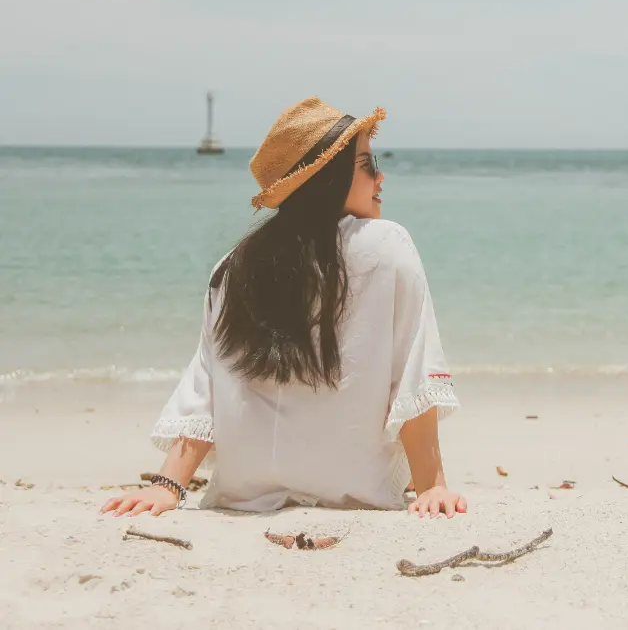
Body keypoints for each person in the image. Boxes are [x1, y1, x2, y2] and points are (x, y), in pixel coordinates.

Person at [100, 97, 466, 518]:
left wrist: (168, 487)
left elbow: (206, 383)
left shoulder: (234, 266)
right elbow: (413, 369)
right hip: (350, 491)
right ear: (328, 178)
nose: (380, 176)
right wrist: (431, 487)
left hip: (244, 494)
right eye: (366, 163)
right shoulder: (387, 244)